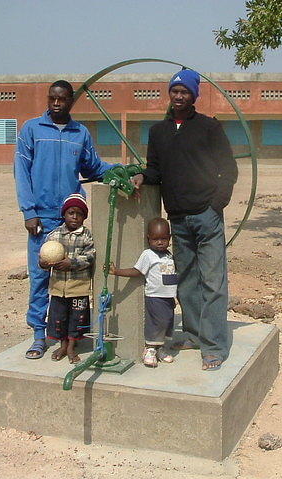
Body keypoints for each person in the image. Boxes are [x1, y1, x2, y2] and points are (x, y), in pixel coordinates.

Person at [131, 69, 238, 371]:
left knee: (213, 282)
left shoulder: (208, 127)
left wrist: (216, 205)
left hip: (206, 216)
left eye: (185, 92)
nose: (179, 96)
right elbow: (155, 170)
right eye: (175, 91)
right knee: (187, 281)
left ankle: (214, 346)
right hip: (177, 219)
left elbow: (228, 169)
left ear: (194, 96)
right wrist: (140, 177)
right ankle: (192, 334)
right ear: (170, 94)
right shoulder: (158, 132)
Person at [14, 80, 116, 359]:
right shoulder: (32, 130)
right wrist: (29, 211)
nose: (56, 104)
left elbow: (94, 167)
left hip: (72, 220)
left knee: (72, 278)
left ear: (71, 101)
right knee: (40, 276)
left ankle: (71, 335)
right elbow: (21, 171)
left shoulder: (79, 133)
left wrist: (124, 170)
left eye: (62, 99)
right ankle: (38, 335)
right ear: (48, 99)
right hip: (43, 218)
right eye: (52, 99)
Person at [109, 217, 177, 368]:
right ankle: (150, 349)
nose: (160, 242)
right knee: (156, 323)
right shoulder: (148, 255)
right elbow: (136, 271)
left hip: (168, 297)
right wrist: (116, 271)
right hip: (155, 296)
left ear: (169, 238)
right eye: (155, 239)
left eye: (164, 239)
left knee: (167, 322)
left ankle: (160, 349)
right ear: (148, 239)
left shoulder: (169, 255)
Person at [40, 194, 94, 364]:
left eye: (79, 214)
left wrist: (72, 263)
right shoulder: (54, 235)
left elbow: (90, 257)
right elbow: (43, 257)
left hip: (78, 287)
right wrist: (43, 263)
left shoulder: (86, 236)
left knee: (77, 319)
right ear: (64, 214)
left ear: (84, 217)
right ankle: (63, 344)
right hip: (58, 288)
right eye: (71, 212)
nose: (75, 217)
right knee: (59, 318)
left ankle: (71, 346)